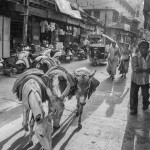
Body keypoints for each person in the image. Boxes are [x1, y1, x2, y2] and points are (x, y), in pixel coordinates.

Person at [129, 40, 150, 115]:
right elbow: (135, 69)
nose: (143, 49)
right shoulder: (135, 57)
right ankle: (133, 109)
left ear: (148, 48)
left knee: (145, 94)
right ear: (139, 48)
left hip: (145, 80)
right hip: (136, 79)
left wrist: (145, 70)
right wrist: (147, 70)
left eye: (145, 48)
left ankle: (145, 104)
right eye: (141, 48)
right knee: (133, 95)